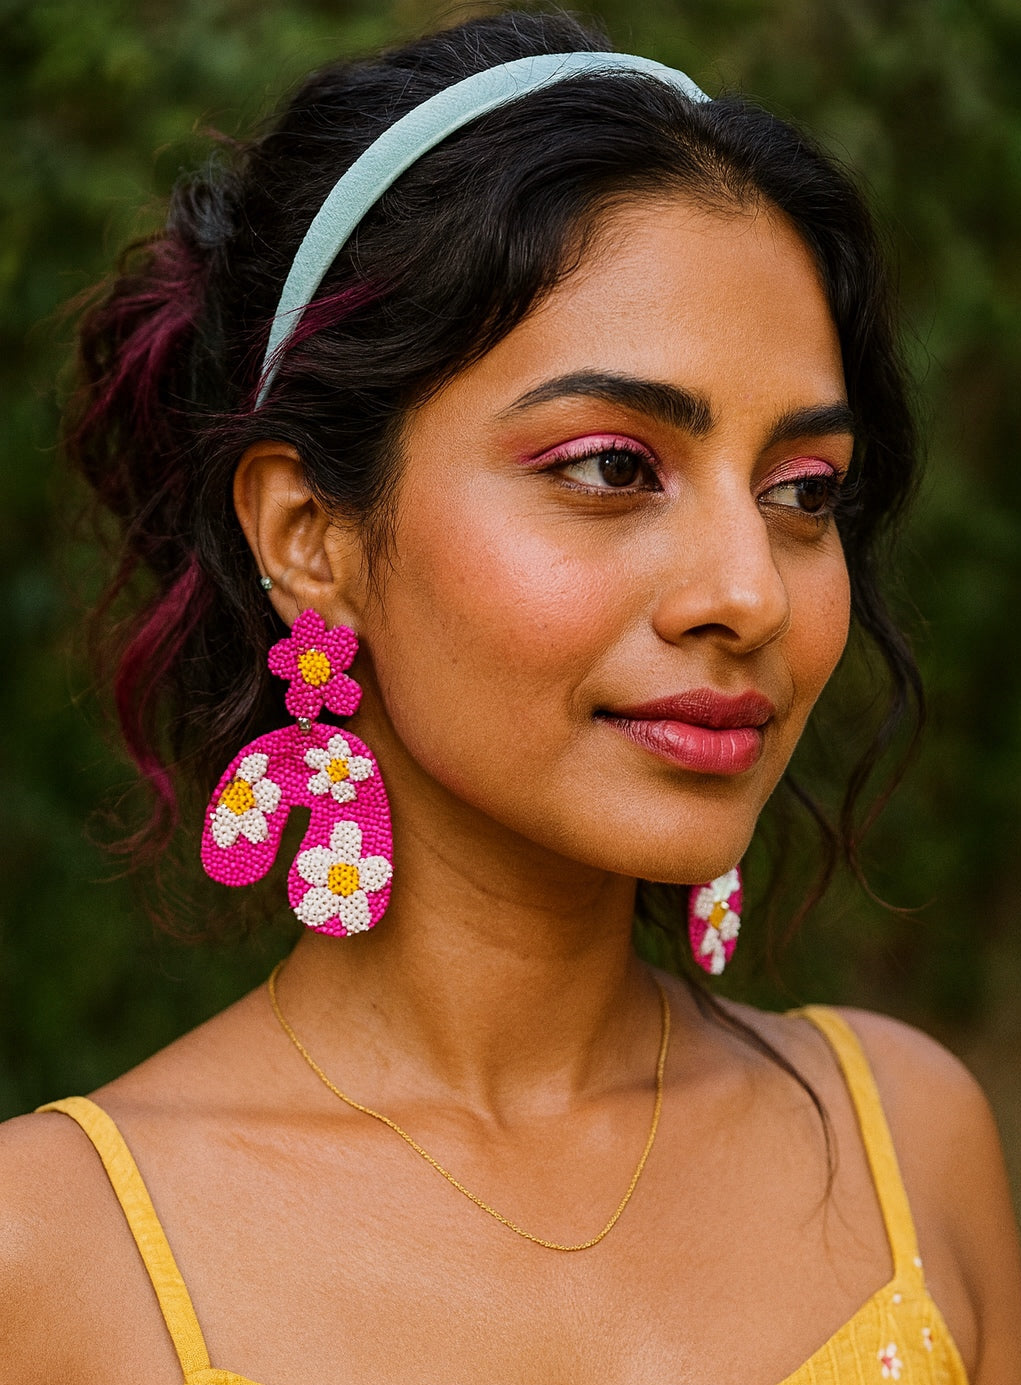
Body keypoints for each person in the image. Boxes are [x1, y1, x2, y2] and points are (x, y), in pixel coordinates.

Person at [1, 9, 1018, 1383]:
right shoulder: (52, 1254)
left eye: (801, 491)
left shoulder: (909, 1145)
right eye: (610, 467)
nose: (750, 592)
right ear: (310, 536)